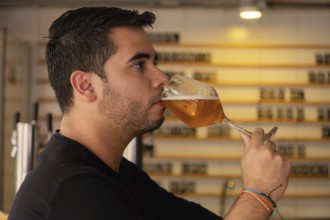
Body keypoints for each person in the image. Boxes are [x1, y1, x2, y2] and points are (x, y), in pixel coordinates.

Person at [8, 7, 290, 220]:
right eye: (138, 65)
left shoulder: (117, 173)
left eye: (155, 62)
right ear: (86, 85)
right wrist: (259, 194)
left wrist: (258, 191)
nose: (162, 78)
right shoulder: (72, 190)